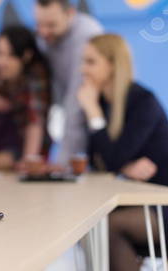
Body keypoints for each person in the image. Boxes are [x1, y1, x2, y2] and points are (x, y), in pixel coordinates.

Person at [77, 34, 168, 271]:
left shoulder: (142, 101)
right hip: (145, 203)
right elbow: (99, 161)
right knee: (92, 223)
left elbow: (112, 159)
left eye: (90, 62)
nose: (83, 69)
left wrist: (92, 112)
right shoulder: (102, 104)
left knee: (108, 227)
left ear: (113, 64)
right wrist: (123, 167)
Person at [34, 0, 103, 166]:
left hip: (94, 112)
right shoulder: (45, 37)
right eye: (39, 24)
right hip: (67, 106)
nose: (43, 32)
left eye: (51, 25)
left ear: (70, 14)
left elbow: (76, 103)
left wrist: (62, 165)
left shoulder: (86, 35)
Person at [0, 25, 52, 167]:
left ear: (26, 55)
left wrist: (28, 161)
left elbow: (35, 120)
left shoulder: (36, 75)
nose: (0, 61)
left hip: (29, 148)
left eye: (9, 55)